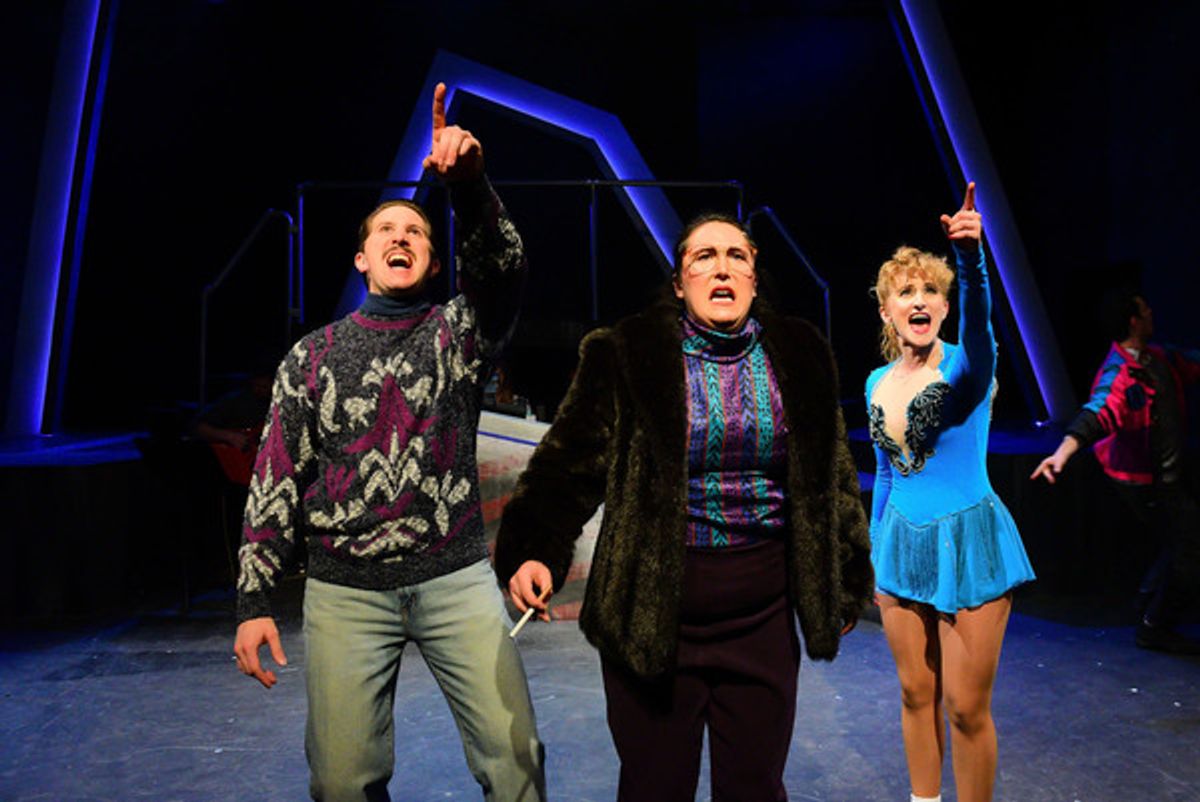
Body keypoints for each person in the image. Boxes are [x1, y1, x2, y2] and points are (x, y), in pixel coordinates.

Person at [232, 83, 546, 802]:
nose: (401, 237)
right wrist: (253, 602)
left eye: (416, 233)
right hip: (345, 589)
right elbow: (274, 479)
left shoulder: (457, 335)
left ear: (434, 265)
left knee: (517, 761)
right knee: (342, 782)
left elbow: (503, 269)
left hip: (453, 577)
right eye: (386, 232)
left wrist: (469, 187)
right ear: (362, 259)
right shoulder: (312, 357)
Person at [495, 213, 873, 802]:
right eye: (703, 257)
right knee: (655, 787)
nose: (721, 269)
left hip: (762, 614)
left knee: (755, 788)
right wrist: (534, 550)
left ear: (753, 278)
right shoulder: (626, 353)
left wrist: (845, 574)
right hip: (652, 613)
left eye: (736, 256)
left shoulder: (800, 353)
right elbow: (567, 464)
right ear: (679, 283)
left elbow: (833, 476)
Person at [865, 183, 1034, 802]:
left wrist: (970, 258)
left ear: (944, 305)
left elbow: (982, 328)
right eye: (905, 292)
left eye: (931, 291)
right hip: (900, 546)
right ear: (886, 311)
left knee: (964, 707)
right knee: (916, 694)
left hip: (969, 543)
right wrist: (874, 555)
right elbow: (886, 474)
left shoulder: (968, 367)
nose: (919, 299)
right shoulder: (877, 381)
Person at [1030, 287, 1200, 653]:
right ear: (1134, 321)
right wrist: (1062, 453)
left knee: (1180, 541)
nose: (1152, 313)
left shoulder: (1159, 357)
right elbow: (1097, 412)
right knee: (1188, 548)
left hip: (1170, 474)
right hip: (1143, 481)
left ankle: (1148, 601)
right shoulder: (1120, 373)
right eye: (1145, 310)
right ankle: (1154, 625)